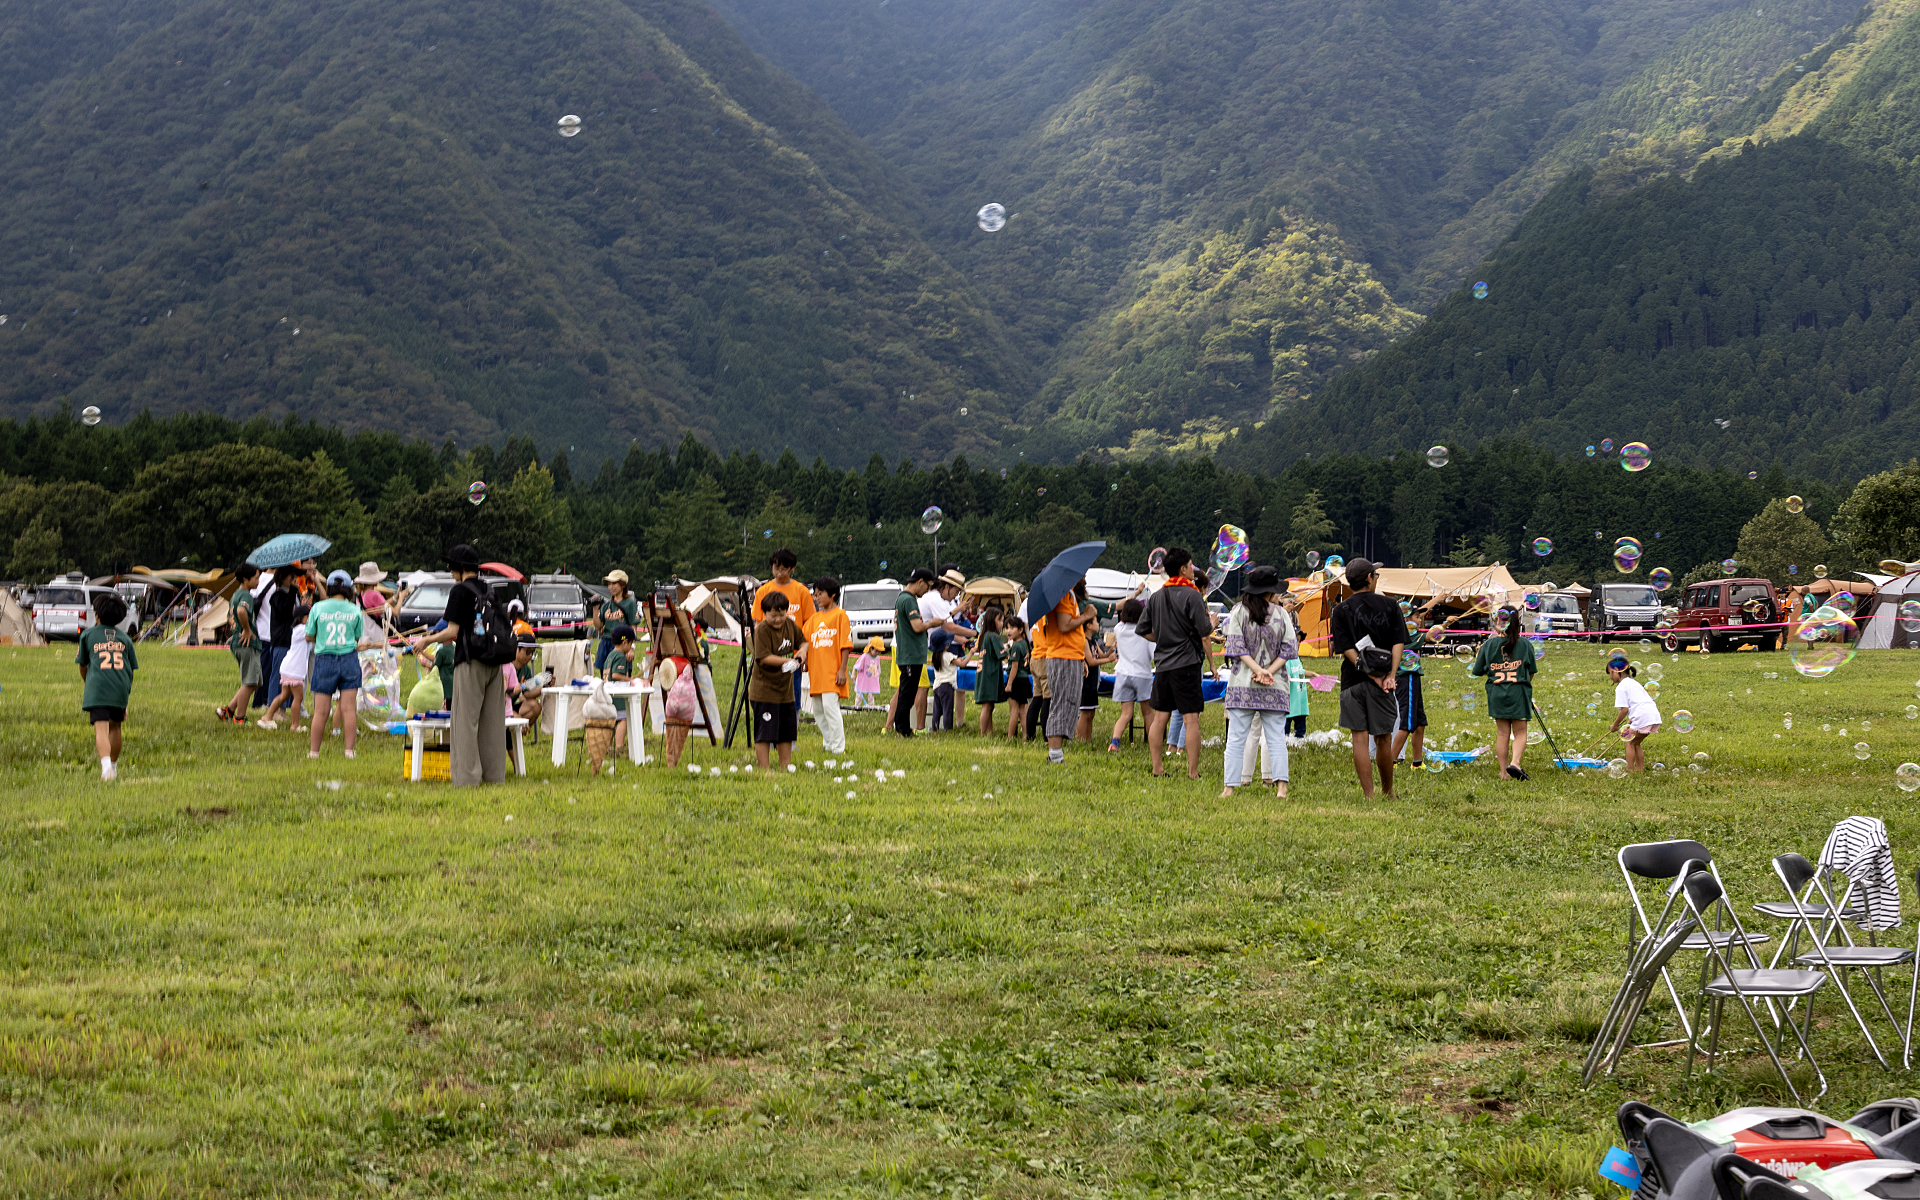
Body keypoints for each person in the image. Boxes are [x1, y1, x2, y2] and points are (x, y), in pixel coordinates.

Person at [413, 544, 508, 785]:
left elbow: (452, 631)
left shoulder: (460, 591)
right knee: (492, 724)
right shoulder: (489, 590)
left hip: (470, 660)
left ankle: (467, 779)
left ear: (461, 568)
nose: (450, 570)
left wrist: (427, 640)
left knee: (465, 722)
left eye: (451, 566)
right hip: (495, 662)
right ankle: (494, 777)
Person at [1330, 558, 1407, 799]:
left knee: (1359, 739)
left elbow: (1345, 648)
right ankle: (1388, 792)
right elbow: (1398, 642)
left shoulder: (1340, 609)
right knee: (1383, 738)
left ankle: (1369, 795)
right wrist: (1389, 676)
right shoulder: (1390, 605)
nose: (1377, 578)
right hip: (1383, 681)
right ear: (1368, 579)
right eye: (1375, 575)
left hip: (1352, 681)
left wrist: (1365, 671)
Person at [1220, 566, 1295, 798]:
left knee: (1235, 738)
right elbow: (1290, 648)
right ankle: (1281, 788)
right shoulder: (1282, 614)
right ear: (1271, 591)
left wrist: (1256, 670)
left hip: (1242, 683)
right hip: (1275, 685)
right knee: (1275, 739)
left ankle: (1229, 788)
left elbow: (1235, 647)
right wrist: (1268, 671)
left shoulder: (1238, 612)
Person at [1137, 547, 1211, 779]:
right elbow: (1204, 631)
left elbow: (1142, 629)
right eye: (1191, 565)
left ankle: (1157, 768)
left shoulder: (1157, 596)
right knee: (1191, 719)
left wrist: (1163, 637)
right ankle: (1193, 772)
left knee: (1160, 717)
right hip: (1187, 665)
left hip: (1163, 665)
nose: (1193, 569)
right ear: (1182, 569)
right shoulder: (1193, 596)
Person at [306, 570, 377, 760]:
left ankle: (314, 753)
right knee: (348, 709)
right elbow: (355, 637)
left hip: (324, 660)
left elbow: (308, 635)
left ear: (329, 587)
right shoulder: (354, 610)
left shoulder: (318, 608)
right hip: (349, 660)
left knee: (320, 711)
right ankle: (349, 752)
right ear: (348, 589)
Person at [1468, 607, 1539, 781]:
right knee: (1520, 731)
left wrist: (1482, 657)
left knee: (1502, 733)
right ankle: (1515, 762)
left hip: (1497, 692)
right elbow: (1531, 671)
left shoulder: (1488, 645)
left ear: (1498, 623)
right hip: (1518, 691)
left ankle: (1503, 773)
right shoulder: (1525, 644)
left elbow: (1477, 671)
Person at [1034, 577, 1098, 763]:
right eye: (1082, 576)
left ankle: (1057, 752)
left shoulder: (1068, 595)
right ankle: (1054, 754)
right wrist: (1086, 616)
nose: (1084, 579)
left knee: (1068, 703)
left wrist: (1081, 659)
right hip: (1062, 656)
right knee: (1061, 703)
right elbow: (1064, 626)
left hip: (1071, 656)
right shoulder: (1063, 595)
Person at [77, 591, 137, 781]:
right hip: (120, 689)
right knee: (116, 727)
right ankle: (113, 767)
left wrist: (89, 684)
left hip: (98, 689)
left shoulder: (87, 635)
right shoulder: (126, 639)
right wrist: (124, 696)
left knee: (101, 729)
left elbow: (83, 665)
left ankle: (105, 769)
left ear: (97, 615)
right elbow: (130, 670)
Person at [754, 549, 817, 708]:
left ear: (792, 568)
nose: (779, 573)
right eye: (776, 568)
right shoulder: (763, 591)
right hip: (769, 657)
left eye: (783, 569)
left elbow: (810, 623)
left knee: (792, 699)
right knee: (768, 698)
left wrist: (806, 654)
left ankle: (790, 727)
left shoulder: (801, 591)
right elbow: (757, 622)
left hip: (793, 656)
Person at [749, 590, 804, 770]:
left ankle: (784, 767)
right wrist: (788, 661)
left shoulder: (790, 625)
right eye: (774, 615)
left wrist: (802, 654)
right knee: (765, 732)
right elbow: (763, 657)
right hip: (764, 691)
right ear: (765, 614)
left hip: (785, 691)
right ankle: (764, 769)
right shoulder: (762, 630)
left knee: (785, 732)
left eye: (782, 614)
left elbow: (803, 642)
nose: (778, 619)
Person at [915, 569, 972, 730]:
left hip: (922, 651)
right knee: (919, 688)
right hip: (914, 648)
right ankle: (918, 727)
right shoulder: (936, 599)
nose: (955, 596)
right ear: (947, 587)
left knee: (925, 696)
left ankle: (925, 727)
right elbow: (948, 626)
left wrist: (965, 640)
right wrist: (974, 633)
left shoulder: (937, 599)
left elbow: (946, 624)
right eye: (956, 592)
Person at [804, 575, 854, 754]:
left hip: (832, 672)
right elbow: (805, 641)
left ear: (832, 595)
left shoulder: (840, 615)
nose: (816, 598)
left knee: (830, 708)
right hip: (817, 672)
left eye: (820, 594)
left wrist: (842, 669)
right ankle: (829, 742)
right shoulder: (814, 619)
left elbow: (845, 645)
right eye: (815, 594)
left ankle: (838, 747)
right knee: (817, 710)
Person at [890, 568, 938, 738]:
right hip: (911, 655)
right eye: (928, 586)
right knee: (908, 695)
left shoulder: (901, 598)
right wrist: (932, 623)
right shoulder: (909, 600)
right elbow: (917, 626)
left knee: (905, 692)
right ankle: (903, 729)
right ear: (920, 582)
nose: (927, 591)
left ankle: (900, 727)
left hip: (908, 654)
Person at [217, 562, 263, 723]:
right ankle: (240, 718)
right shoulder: (245, 596)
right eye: (256, 578)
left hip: (238, 643)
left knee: (255, 682)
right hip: (246, 643)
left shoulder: (235, 594)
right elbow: (241, 611)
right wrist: (246, 629)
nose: (258, 581)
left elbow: (229, 617)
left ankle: (228, 710)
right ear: (245, 579)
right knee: (249, 682)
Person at [1109, 598, 1153, 751]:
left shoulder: (1119, 629)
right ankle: (1153, 744)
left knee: (1126, 714)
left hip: (1123, 674)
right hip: (1142, 674)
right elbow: (1153, 653)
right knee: (1147, 713)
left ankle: (1115, 742)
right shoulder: (1145, 632)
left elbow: (1121, 622)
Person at [260, 602, 313, 730]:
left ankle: (267, 717)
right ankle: (295, 725)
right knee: (298, 697)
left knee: (284, 695)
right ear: (303, 618)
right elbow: (312, 636)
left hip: (288, 667)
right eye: (309, 616)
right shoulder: (302, 629)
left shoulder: (298, 629)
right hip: (294, 669)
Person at [1390, 608, 1431, 771]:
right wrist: (1447, 623)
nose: (1419, 620)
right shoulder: (1407, 633)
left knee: (1420, 723)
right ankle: (1390, 761)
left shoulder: (1409, 631)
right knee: (1407, 724)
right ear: (1406, 619)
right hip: (1406, 679)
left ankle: (1417, 762)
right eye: (1417, 617)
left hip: (1413, 678)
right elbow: (1430, 636)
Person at [1076, 587, 1116, 744]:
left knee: (1091, 713)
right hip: (1086, 681)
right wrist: (1108, 660)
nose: (1098, 623)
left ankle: (1088, 740)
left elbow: (1100, 655)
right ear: (1088, 626)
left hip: (1093, 681)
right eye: (1095, 621)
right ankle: (1080, 740)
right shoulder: (1084, 641)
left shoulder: (1093, 641)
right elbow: (1091, 661)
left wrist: (1110, 651)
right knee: (1084, 712)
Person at [1608, 654, 1661, 772]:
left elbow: (1624, 710)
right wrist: (1629, 723)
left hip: (1643, 716)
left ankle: (1630, 770)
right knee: (1636, 743)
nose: (1610, 677)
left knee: (1630, 743)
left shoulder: (1621, 687)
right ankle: (1639, 770)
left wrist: (1615, 725)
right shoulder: (1633, 683)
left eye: (1610, 673)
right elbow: (1638, 704)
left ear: (1616, 671)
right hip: (1652, 715)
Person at [592, 570, 639, 672]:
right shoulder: (606, 605)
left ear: (622, 585)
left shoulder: (629, 604)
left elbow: (633, 628)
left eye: (614, 583)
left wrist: (631, 648)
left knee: (621, 677)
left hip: (622, 644)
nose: (611, 587)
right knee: (605, 677)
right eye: (609, 584)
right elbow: (598, 627)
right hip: (606, 643)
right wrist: (595, 609)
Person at [971, 608, 1006, 736]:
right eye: (1000, 620)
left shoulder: (984, 636)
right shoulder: (993, 636)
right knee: (987, 707)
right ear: (992, 621)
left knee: (989, 706)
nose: (1002, 623)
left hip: (983, 676)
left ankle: (989, 733)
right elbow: (1002, 654)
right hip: (989, 676)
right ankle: (982, 733)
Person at [604, 624, 637, 756]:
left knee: (612, 721)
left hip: (608, 693)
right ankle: (619, 747)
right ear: (625, 642)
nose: (631, 647)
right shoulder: (621, 657)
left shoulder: (610, 655)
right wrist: (630, 679)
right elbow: (615, 675)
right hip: (617, 694)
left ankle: (607, 747)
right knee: (623, 719)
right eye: (631, 644)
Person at [1001, 617, 1031, 738]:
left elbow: (1014, 667)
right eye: (1006, 628)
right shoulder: (1025, 643)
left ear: (1020, 630)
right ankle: (1025, 736)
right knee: (1022, 711)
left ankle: (1010, 737)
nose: (1008, 631)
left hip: (1016, 680)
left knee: (1014, 711)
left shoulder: (1016, 646)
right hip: (1024, 679)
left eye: (1012, 628)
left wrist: (1009, 684)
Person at [509, 637, 544, 730]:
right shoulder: (505, 667)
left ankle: (515, 736)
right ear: (517, 649)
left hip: (510, 706)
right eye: (528, 652)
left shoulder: (525, 669)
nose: (530, 656)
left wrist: (544, 687)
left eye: (533, 653)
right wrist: (515, 715)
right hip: (499, 708)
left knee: (535, 706)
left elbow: (527, 694)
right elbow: (497, 700)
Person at [853, 637, 884, 708]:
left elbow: (878, 668)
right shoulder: (864, 657)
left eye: (879, 652)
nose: (878, 653)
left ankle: (871, 707)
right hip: (863, 682)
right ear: (870, 648)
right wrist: (853, 675)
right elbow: (856, 666)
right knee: (859, 696)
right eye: (876, 651)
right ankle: (856, 707)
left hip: (871, 682)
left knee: (870, 696)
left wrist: (877, 675)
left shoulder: (877, 658)